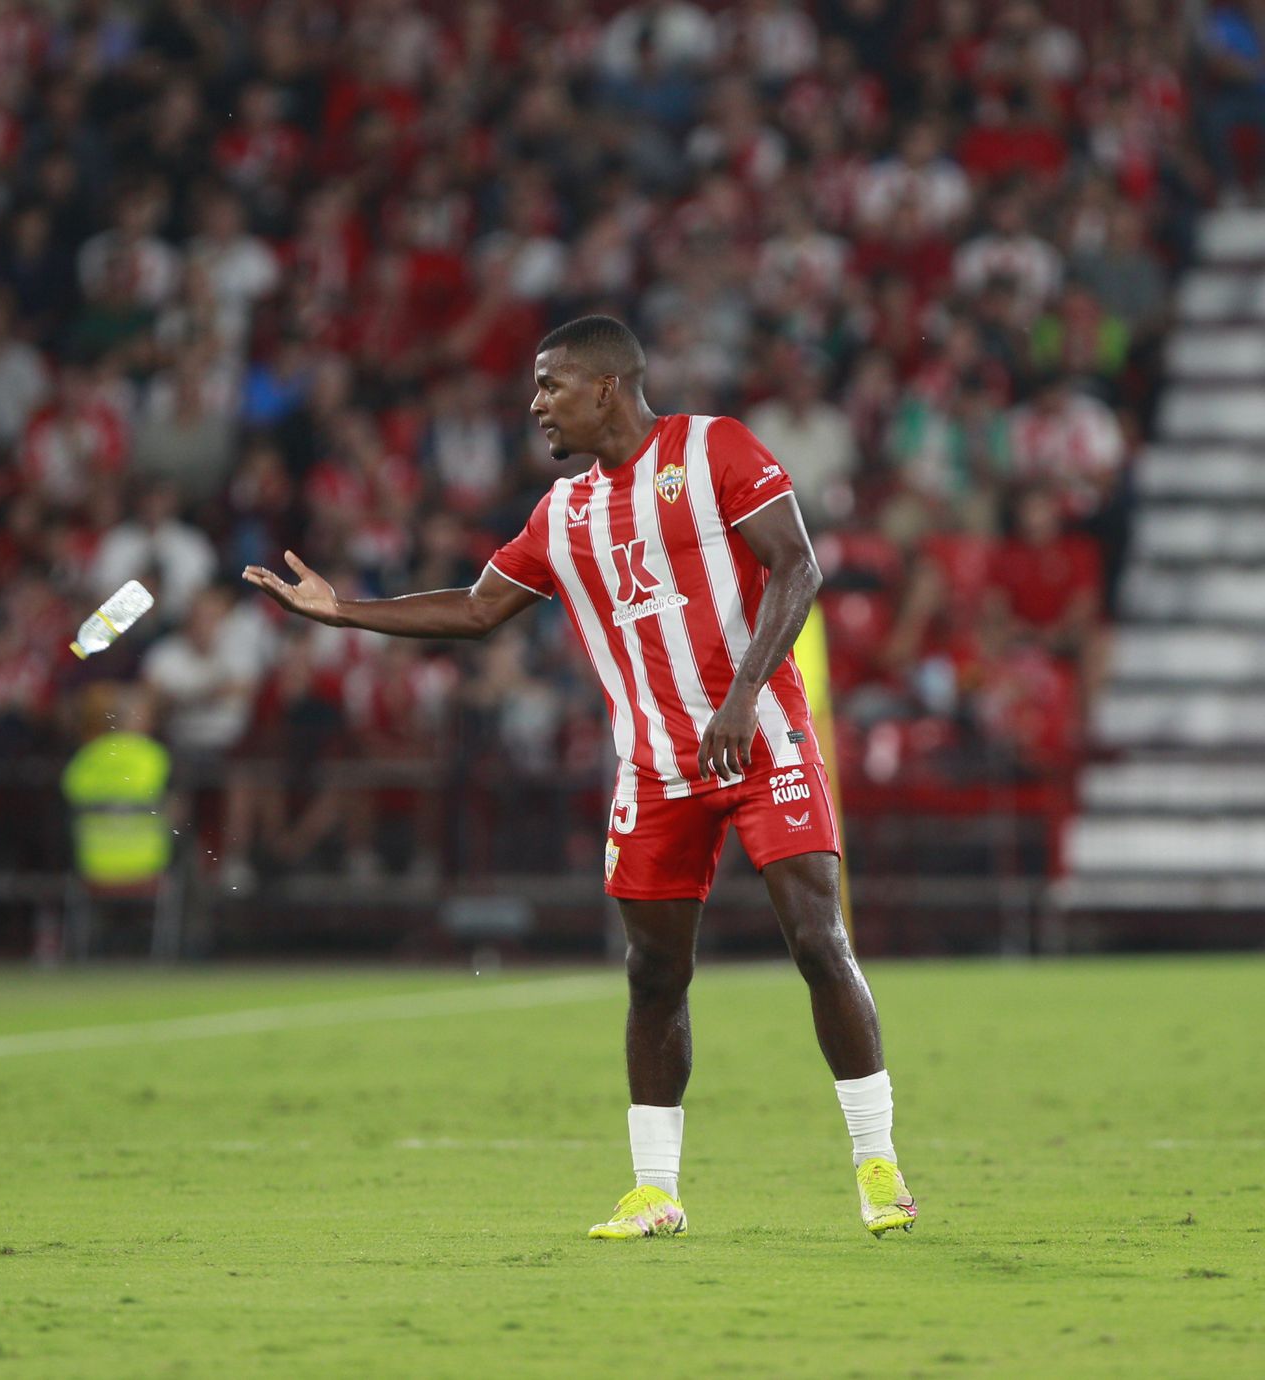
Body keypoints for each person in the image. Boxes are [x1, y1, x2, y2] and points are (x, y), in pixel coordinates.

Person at [245, 316, 915, 1240]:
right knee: (652, 975)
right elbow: (479, 609)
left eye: (549, 386)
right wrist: (344, 612)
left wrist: (744, 690)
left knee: (814, 938)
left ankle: (877, 1166)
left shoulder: (716, 448)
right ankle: (655, 1190)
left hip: (761, 740)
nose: (536, 405)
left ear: (605, 388)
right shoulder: (563, 514)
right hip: (654, 767)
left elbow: (798, 566)